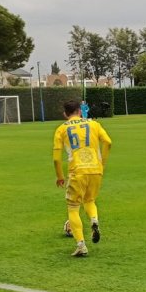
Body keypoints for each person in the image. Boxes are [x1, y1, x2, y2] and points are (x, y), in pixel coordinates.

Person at [53, 99, 112, 257]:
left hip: (77, 170)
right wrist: (102, 163)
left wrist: (59, 176)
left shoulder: (61, 129)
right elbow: (108, 142)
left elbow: (56, 159)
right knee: (90, 200)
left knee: (73, 207)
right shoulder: (94, 124)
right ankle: (94, 220)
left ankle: (81, 245)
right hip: (95, 169)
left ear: (65, 114)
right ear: (80, 111)